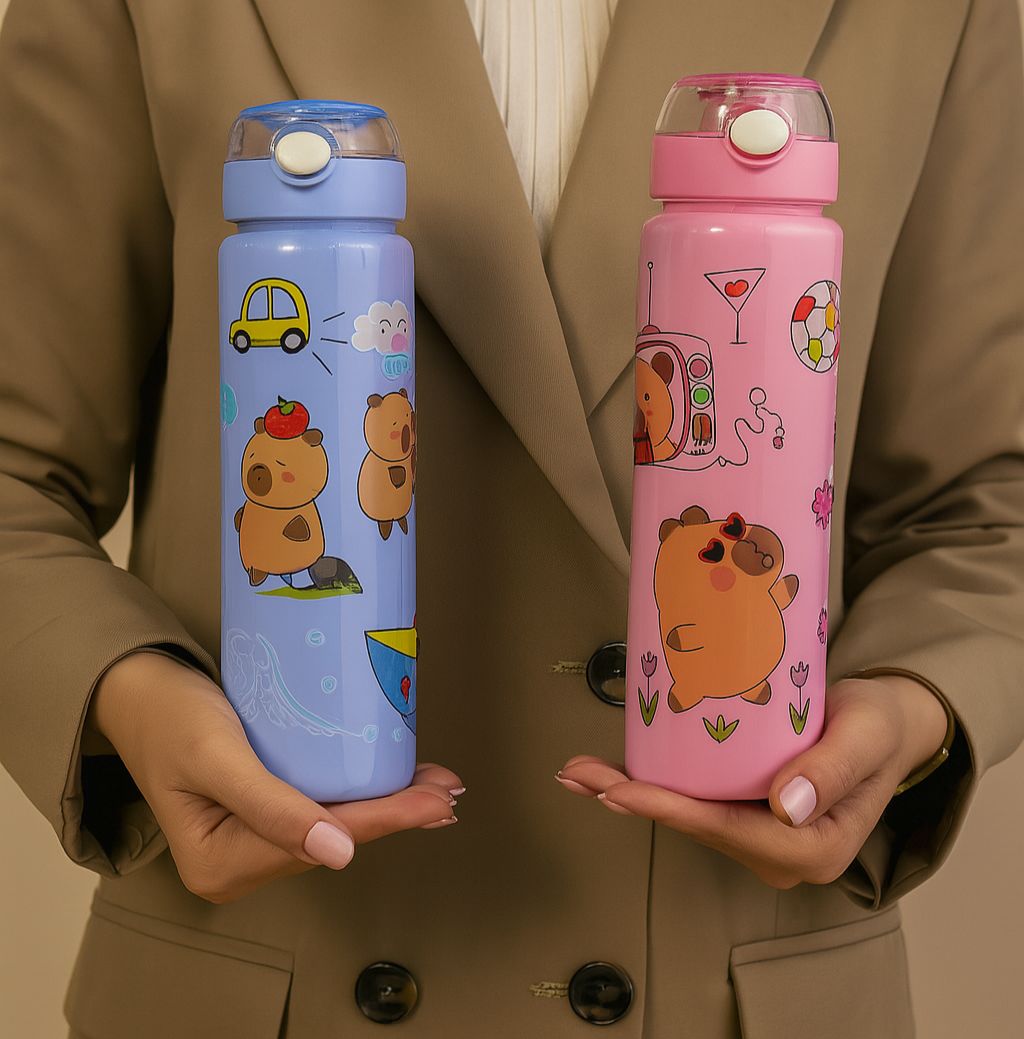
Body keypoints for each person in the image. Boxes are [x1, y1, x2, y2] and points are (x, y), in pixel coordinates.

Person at [0, 0, 1021, 1036]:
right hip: (275, 960)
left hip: (728, 972)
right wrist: (132, 698)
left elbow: (986, 505)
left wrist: (908, 705)